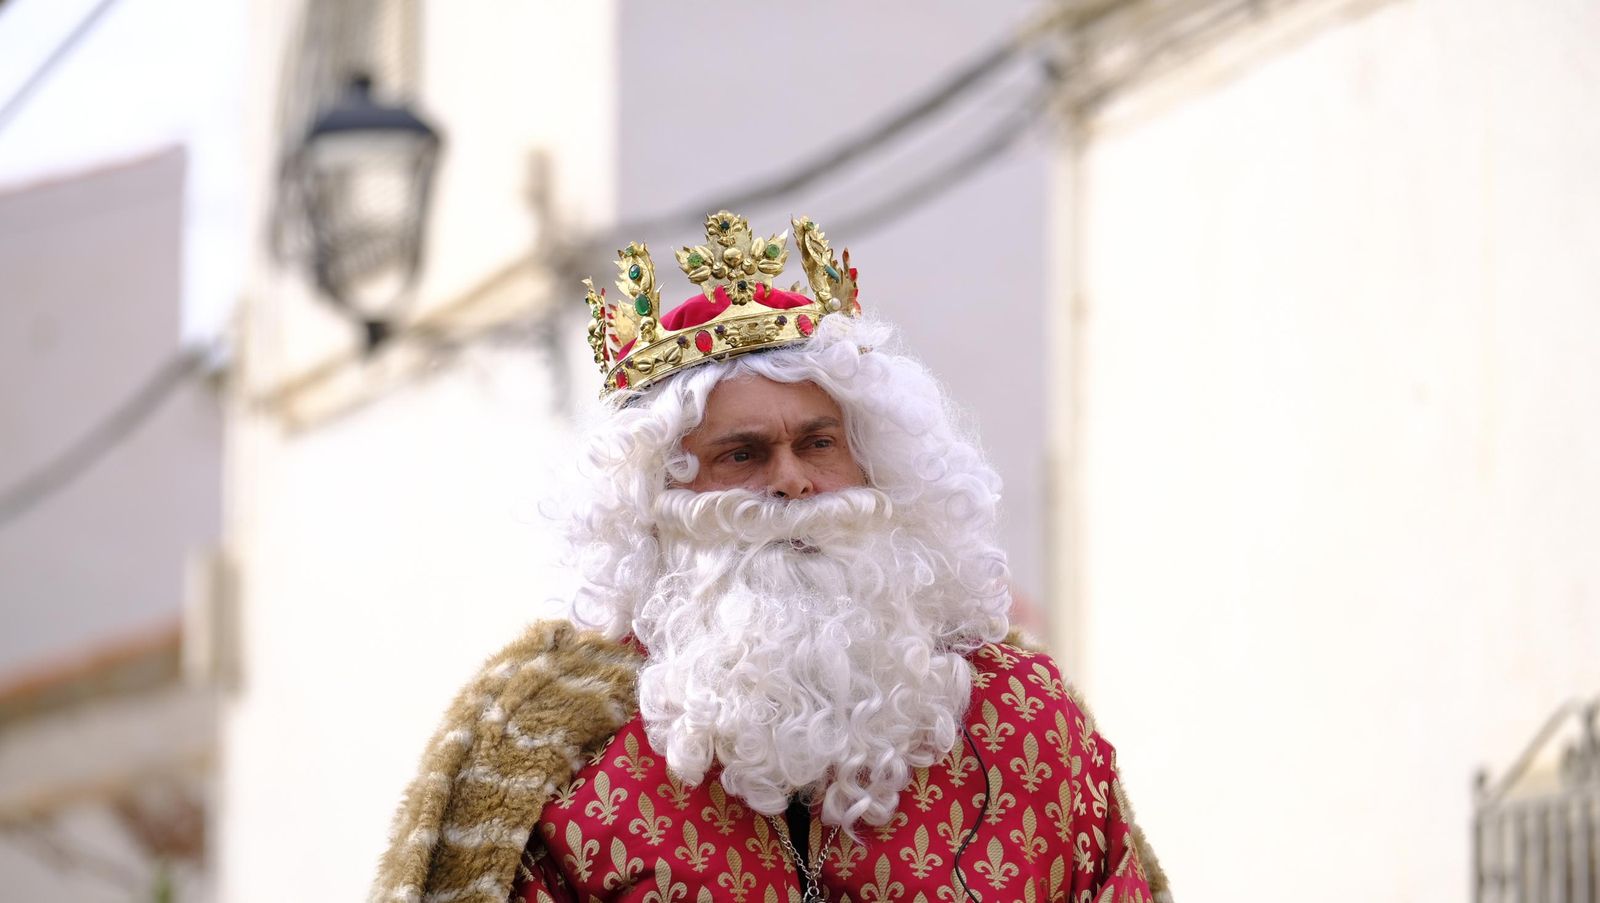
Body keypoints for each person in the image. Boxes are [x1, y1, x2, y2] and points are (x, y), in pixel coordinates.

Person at [368, 212, 1170, 903]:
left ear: (872, 462)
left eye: (819, 443)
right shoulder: (545, 740)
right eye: (743, 454)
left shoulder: (1023, 715)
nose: (792, 481)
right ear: (661, 498)